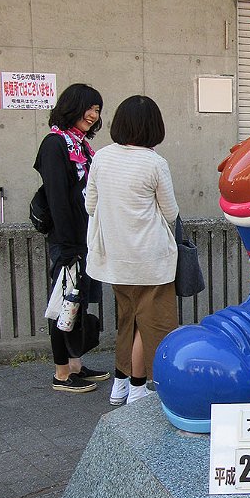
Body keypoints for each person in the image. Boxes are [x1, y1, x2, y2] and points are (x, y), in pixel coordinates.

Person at [85, 95, 180, 405]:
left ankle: (120, 384)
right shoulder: (154, 162)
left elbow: (90, 206)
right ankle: (138, 387)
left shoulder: (101, 157)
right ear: (154, 127)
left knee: (128, 319)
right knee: (152, 324)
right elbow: (170, 213)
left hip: (114, 257)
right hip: (151, 259)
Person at [34, 83, 110, 393]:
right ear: (72, 107)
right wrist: (67, 247)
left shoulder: (81, 146)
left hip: (84, 239)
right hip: (67, 242)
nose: (93, 115)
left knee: (77, 304)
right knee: (62, 304)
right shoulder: (54, 144)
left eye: (97, 110)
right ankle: (61, 373)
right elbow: (57, 199)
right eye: (89, 108)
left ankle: (76, 365)